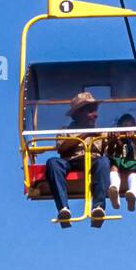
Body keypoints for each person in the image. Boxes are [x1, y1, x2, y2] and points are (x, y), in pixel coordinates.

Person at [46, 91, 111, 229]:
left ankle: (98, 207)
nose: (96, 114)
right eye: (91, 111)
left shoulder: (102, 132)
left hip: (94, 161)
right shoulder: (65, 131)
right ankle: (63, 209)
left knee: (104, 162)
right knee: (53, 163)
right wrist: (86, 133)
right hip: (71, 161)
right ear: (78, 114)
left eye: (95, 110)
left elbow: (110, 149)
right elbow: (62, 148)